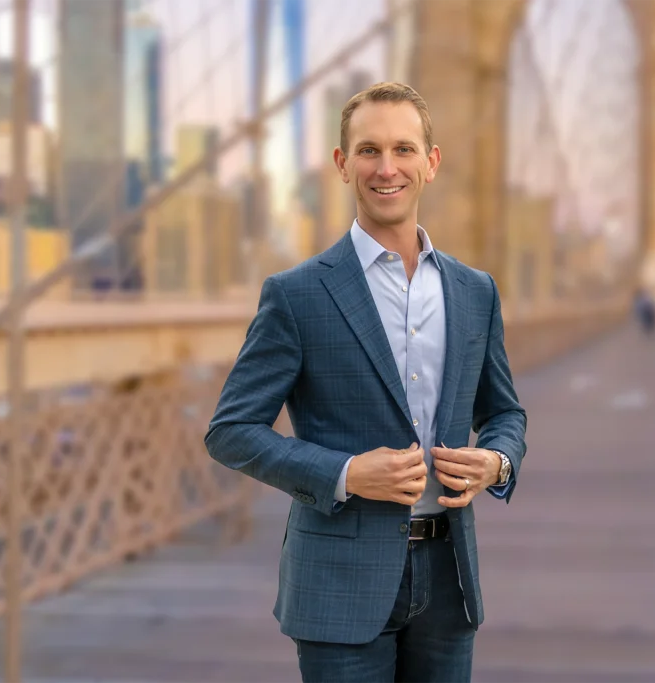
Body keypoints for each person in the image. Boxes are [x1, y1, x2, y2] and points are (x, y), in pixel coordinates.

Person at [204, 82, 527, 683]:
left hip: (449, 582)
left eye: (404, 149)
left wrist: (497, 463)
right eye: (369, 150)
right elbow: (230, 430)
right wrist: (347, 473)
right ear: (342, 163)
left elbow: (504, 413)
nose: (386, 168)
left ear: (431, 162)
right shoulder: (296, 295)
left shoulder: (475, 291)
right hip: (337, 585)